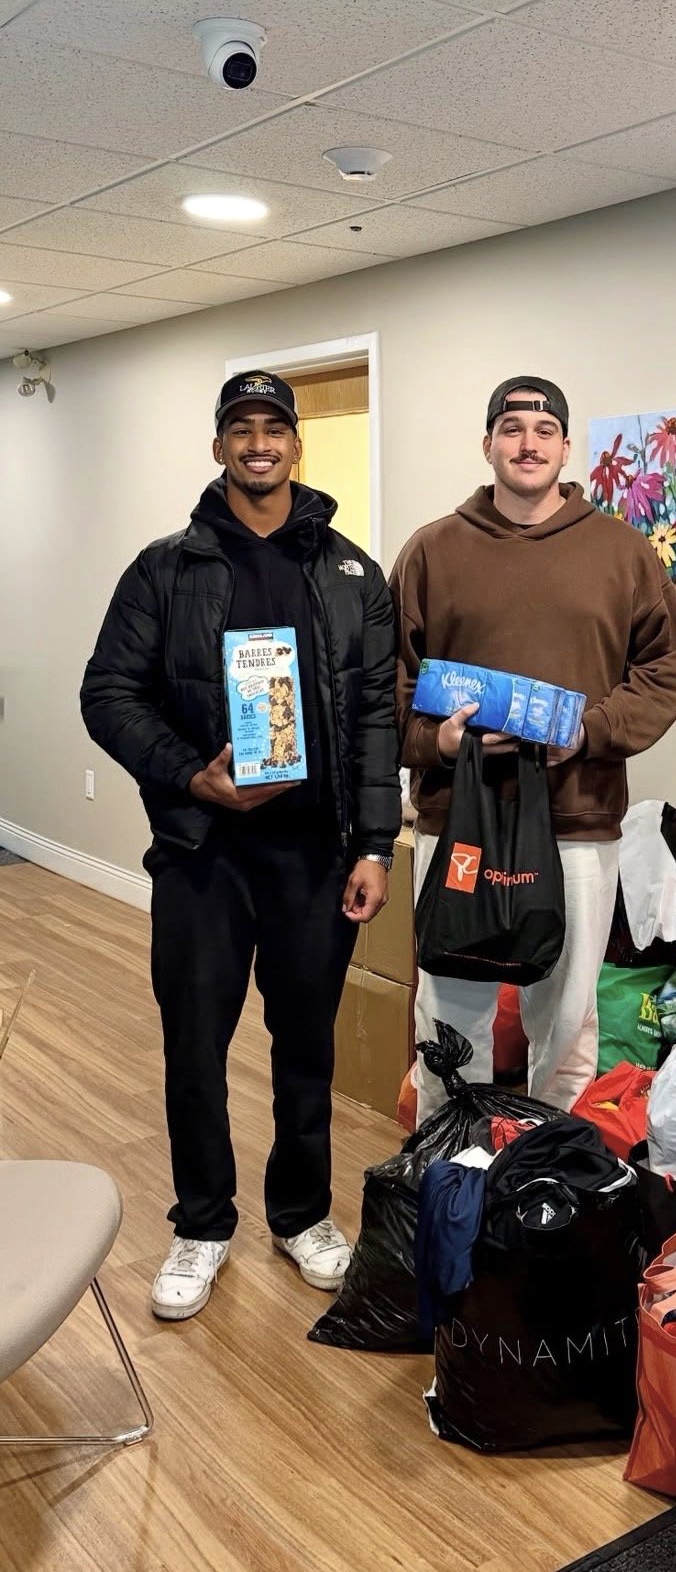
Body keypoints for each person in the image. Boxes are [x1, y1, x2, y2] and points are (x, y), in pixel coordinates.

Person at [81, 370, 400, 1321]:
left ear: (298, 447)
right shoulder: (162, 570)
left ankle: (301, 1213)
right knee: (196, 1047)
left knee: (306, 1048)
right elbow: (108, 695)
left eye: (275, 430)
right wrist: (190, 774)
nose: (259, 445)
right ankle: (202, 1224)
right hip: (201, 854)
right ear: (218, 447)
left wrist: (376, 843)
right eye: (241, 430)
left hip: (314, 855)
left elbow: (376, 714)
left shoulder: (350, 573)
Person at [391, 376, 676, 1114]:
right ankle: (444, 1166)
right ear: (488, 442)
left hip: (575, 819)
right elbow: (384, 685)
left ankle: (547, 1174)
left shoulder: (622, 554)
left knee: (564, 1017)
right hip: (458, 820)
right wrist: (440, 740)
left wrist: (589, 732)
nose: (528, 443)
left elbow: (665, 668)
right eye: (513, 427)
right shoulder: (432, 551)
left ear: (564, 447)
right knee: (448, 1007)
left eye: (544, 429)